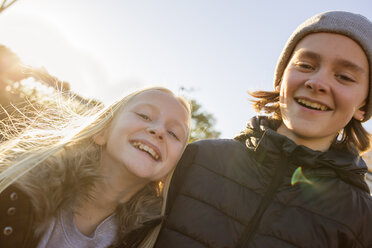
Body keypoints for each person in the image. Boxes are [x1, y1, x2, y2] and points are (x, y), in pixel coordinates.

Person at [155, 11, 372, 248]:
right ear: (280, 80)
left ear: (363, 105)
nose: (317, 83)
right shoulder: (198, 158)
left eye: (344, 77)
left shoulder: (363, 221)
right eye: (306, 65)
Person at [0, 86, 191, 247]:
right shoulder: (16, 183)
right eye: (144, 115)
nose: (158, 131)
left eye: (173, 133)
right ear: (102, 132)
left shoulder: (151, 240)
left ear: (170, 170)